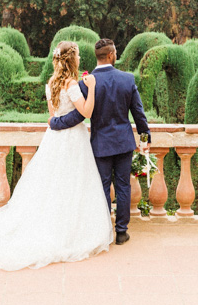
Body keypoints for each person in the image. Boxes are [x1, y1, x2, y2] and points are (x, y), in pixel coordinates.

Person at [0, 41, 114, 271]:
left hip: (55, 140)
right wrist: (90, 87)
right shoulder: (72, 84)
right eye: (78, 56)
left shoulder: (51, 84)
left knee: (52, 184)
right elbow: (87, 112)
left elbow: (53, 117)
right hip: (73, 140)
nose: (80, 59)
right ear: (73, 60)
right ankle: (67, 229)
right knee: (71, 183)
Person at [49, 38, 151, 245]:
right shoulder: (127, 79)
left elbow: (78, 117)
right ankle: (121, 232)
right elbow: (139, 114)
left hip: (100, 144)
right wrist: (145, 138)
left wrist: (55, 123)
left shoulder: (86, 82)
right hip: (123, 143)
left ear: (97, 57)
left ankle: (104, 231)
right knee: (123, 186)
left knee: (102, 187)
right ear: (112, 55)